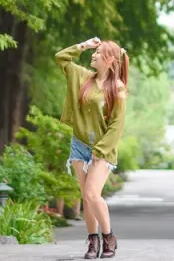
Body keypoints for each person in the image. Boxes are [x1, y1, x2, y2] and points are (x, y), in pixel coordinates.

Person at [55, 37, 129, 259]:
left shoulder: (117, 87)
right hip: (79, 144)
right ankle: (92, 241)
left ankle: (108, 237)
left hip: (102, 148)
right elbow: (61, 58)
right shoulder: (83, 77)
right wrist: (83, 45)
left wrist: (101, 149)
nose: (93, 55)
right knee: (86, 197)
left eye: (98, 53)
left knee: (91, 193)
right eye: (93, 52)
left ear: (109, 59)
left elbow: (117, 124)